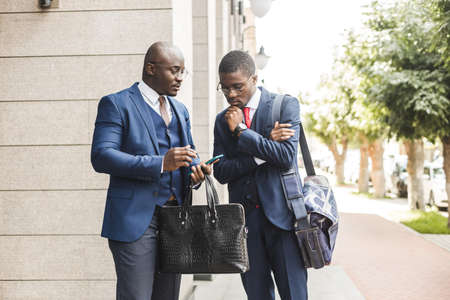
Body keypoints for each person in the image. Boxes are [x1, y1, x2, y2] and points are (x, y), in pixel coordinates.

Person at [91, 41, 211, 300]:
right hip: (135, 220)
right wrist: (159, 163)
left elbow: (190, 153)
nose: (180, 78)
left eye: (183, 72)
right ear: (150, 69)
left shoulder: (180, 110)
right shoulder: (117, 104)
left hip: (176, 220)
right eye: (174, 70)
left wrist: (197, 171)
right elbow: (102, 156)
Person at [213, 50, 307, 300]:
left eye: (237, 87)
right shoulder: (222, 121)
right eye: (224, 88)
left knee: (294, 294)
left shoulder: (284, 105)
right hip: (244, 225)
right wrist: (264, 150)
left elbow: (286, 156)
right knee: (256, 295)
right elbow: (221, 172)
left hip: (283, 220)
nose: (231, 95)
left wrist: (243, 132)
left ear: (254, 79)